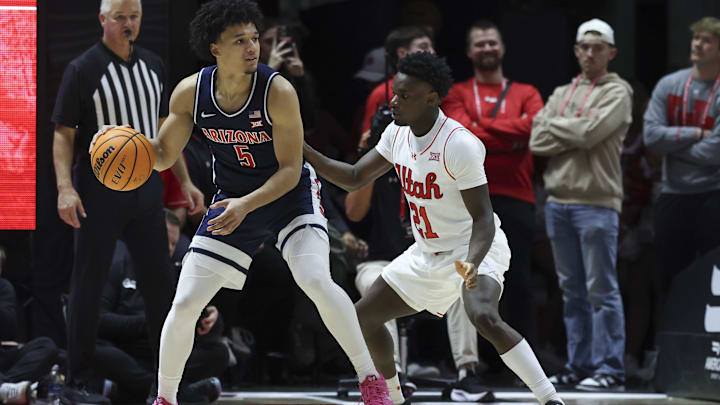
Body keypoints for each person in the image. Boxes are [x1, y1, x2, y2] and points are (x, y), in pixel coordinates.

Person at [90, 2, 392, 405]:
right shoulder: (190, 92)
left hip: (289, 198)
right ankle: (164, 398)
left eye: (254, 38)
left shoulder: (278, 90)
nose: (252, 47)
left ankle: (370, 380)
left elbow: (289, 169)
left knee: (316, 280)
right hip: (233, 201)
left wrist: (246, 205)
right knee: (185, 301)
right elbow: (162, 155)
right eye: (240, 40)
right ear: (215, 48)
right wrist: (127, 145)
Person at [304, 51, 564, 405]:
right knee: (362, 317)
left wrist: (472, 262)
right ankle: (394, 398)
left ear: (431, 98)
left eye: (404, 96)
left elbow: (484, 219)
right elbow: (352, 178)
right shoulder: (396, 134)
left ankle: (551, 398)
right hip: (426, 253)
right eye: (394, 93)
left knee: (484, 316)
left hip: (473, 247)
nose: (394, 102)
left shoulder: (459, 144)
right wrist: (301, 149)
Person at [51, 1, 205, 404]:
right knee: (88, 285)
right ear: (102, 20)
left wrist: (184, 181)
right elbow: (64, 134)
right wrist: (65, 187)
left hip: (146, 189)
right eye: (119, 17)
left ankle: (167, 386)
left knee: (161, 288)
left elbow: (162, 131)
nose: (128, 24)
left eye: (134, 16)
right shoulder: (83, 69)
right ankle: (77, 384)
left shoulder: (154, 65)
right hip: (99, 193)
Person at [529, 18, 631, 391]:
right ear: (576, 51)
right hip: (558, 203)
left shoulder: (619, 92)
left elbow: (591, 135)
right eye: (585, 47)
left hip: (597, 203)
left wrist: (561, 125)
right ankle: (579, 363)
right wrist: (573, 126)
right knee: (572, 291)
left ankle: (610, 368)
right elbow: (536, 140)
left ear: (611, 52)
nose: (591, 53)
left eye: (598, 47)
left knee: (601, 290)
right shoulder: (561, 92)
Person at [442, 19, 544, 345]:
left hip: (517, 196)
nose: (487, 48)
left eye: (492, 42)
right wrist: (511, 139)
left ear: (502, 47)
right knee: (469, 275)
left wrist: (481, 126)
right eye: (480, 43)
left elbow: (535, 130)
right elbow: (460, 133)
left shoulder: (526, 93)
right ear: (470, 52)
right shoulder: (457, 93)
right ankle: (473, 361)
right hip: (471, 198)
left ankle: (521, 356)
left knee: (520, 280)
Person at [95, 209, 226, 404]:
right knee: (94, 348)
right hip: (127, 352)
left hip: (165, 354)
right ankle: (181, 393)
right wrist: (150, 322)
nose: (171, 249)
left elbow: (196, 324)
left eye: (174, 244)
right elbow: (100, 320)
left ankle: (130, 391)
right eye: (166, 242)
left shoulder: (178, 272)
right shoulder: (117, 264)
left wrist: (213, 321)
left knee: (218, 352)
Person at [643, 16, 720, 309]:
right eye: (696, 38)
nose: (698, 45)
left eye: (707, 40)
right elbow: (651, 136)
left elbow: (717, 152)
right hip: (673, 194)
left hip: (714, 193)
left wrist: (673, 148)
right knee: (669, 277)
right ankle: (668, 346)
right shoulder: (669, 84)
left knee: (714, 278)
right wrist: (697, 133)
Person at [359, 26, 435, 149]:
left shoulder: (439, 88)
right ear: (402, 53)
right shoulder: (380, 93)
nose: (432, 52)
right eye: (424, 47)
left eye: (432, 47)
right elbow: (365, 143)